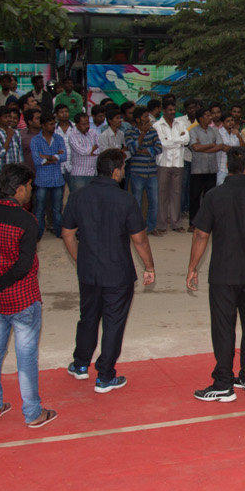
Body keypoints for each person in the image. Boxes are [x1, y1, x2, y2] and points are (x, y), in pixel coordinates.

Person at [0, 163, 56, 428]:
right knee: (26, 357)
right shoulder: (27, 220)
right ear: (19, 189)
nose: (31, 190)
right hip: (22, 297)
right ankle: (33, 413)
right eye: (29, 186)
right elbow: (24, 264)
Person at [187, 148, 245, 402]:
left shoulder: (214, 196)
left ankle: (223, 382)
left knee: (224, 326)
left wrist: (192, 267)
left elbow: (201, 234)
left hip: (224, 273)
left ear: (227, 166)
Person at [62, 149, 156, 393]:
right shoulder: (125, 199)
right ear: (115, 171)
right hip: (118, 272)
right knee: (114, 323)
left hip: (89, 270)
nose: (123, 172)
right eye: (122, 167)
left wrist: (79, 258)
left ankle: (81, 364)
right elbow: (139, 239)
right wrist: (149, 266)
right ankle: (105, 376)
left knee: (88, 317)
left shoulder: (78, 196)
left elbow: (68, 233)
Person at [29, 116, 67, 239]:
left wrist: (46, 157)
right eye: (50, 124)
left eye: (54, 124)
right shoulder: (36, 140)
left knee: (57, 209)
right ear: (43, 126)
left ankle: (59, 232)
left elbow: (64, 156)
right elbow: (37, 160)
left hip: (57, 179)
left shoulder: (59, 138)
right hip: (42, 180)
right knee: (39, 210)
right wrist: (55, 156)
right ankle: (38, 234)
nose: (53, 126)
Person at [154, 101, 189, 233]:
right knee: (162, 195)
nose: (173, 112)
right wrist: (178, 141)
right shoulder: (157, 125)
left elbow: (187, 139)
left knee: (176, 194)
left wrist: (173, 141)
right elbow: (163, 143)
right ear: (164, 111)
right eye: (170, 110)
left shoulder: (180, 123)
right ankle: (161, 224)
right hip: (163, 164)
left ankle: (176, 223)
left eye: (174, 110)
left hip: (178, 163)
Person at [188, 109, 224, 221]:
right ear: (201, 118)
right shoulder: (193, 131)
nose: (211, 117)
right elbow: (195, 147)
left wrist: (204, 148)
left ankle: (208, 221)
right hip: (198, 169)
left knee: (210, 197)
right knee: (195, 196)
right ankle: (193, 222)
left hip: (212, 169)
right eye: (207, 115)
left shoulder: (214, 130)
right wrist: (211, 145)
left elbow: (220, 145)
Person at [64, 110, 99, 197]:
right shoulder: (72, 135)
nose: (87, 126)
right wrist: (92, 149)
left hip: (93, 173)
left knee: (91, 201)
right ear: (77, 124)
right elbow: (82, 151)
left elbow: (100, 148)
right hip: (79, 175)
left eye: (88, 123)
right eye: (83, 124)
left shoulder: (93, 132)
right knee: (79, 201)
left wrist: (91, 150)